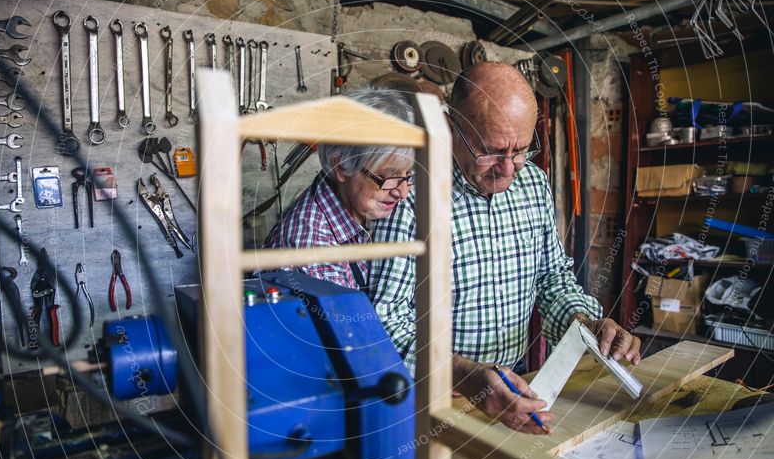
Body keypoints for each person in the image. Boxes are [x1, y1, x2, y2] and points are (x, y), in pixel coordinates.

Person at [368, 62, 641, 434]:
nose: (509, 169)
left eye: (521, 150)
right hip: (428, 403)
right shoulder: (410, 194)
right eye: (491, 152)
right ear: (452, 128)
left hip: (514, 395)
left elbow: (551, 280)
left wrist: (586, 324)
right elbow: (383, 323)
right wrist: (463, 375)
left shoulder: (533, 183)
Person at [264, 87, 415, 290]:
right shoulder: (313, 253)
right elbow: (352, 321)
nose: (402, 192)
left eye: (408, 175)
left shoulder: (358, 211)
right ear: (341, 166)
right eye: (386, 176)